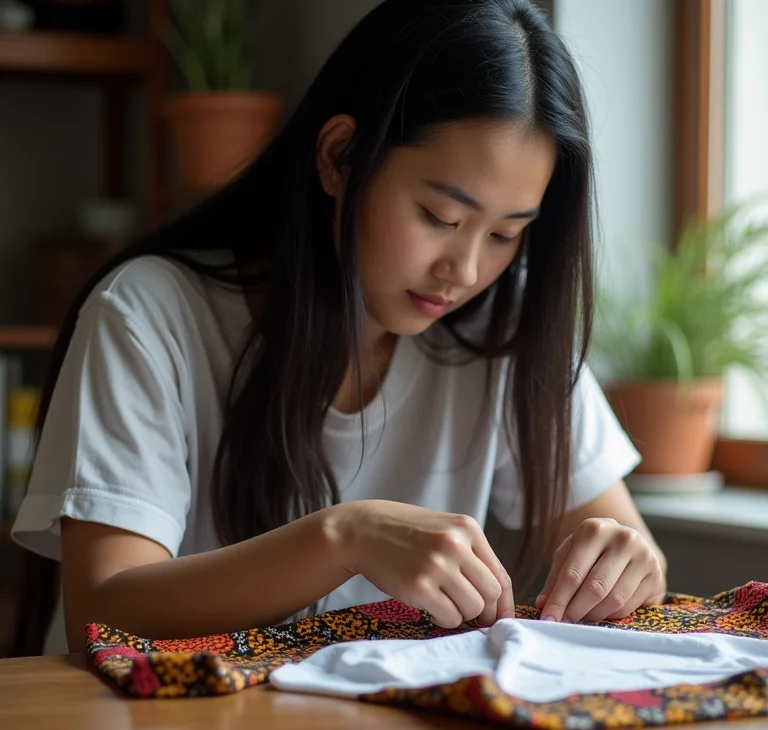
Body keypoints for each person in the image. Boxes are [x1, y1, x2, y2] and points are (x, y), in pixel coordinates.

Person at [12, 0, 667, 656]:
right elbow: (102, 611)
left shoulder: (505, 322)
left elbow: (630, 559)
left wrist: (627, 565)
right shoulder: (149, 315)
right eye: (439, 216)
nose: (464, 270)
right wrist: (344, 539)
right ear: (338, 157)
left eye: (505, 234)